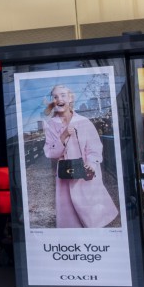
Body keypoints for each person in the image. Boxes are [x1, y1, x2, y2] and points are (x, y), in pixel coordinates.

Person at [41, 84, 118, 230]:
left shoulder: (84, 122)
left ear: (70, 99)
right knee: (70, 215)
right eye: (55, 96)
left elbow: (95, 148)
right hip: (65, 175)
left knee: (91, 212)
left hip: (84, 172)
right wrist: (63, 137)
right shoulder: (51, 125)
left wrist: (91, 163)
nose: (59, 99)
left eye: (63, 95)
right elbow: (50, 152)